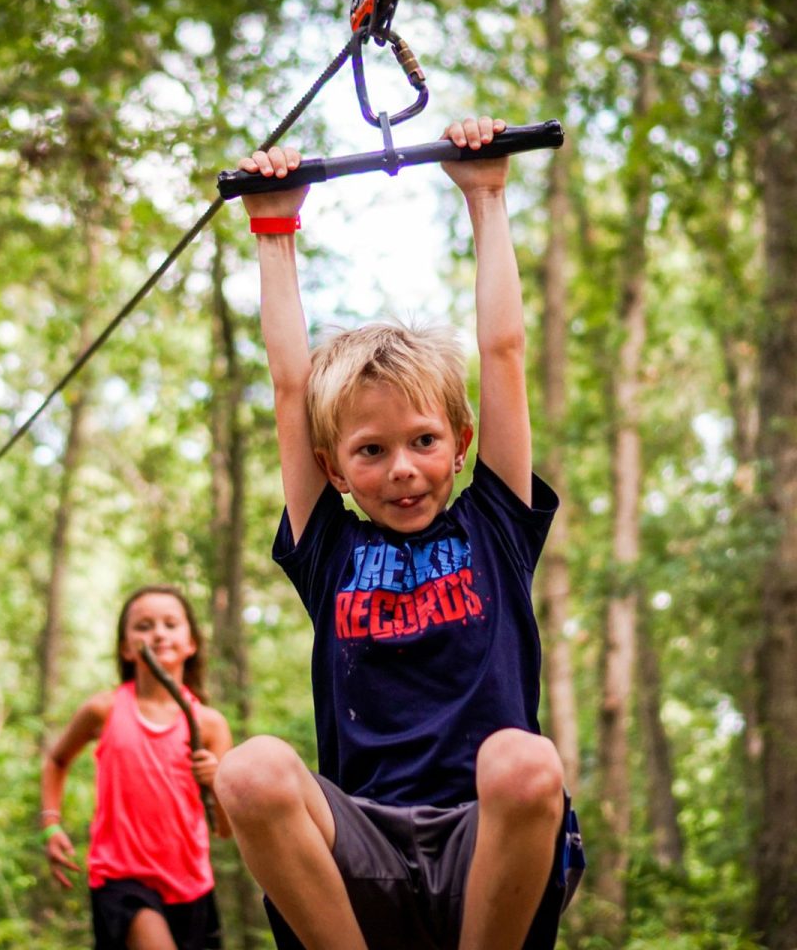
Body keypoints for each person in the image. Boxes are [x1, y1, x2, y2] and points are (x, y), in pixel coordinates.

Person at [213, 116, 583, 950]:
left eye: (422, 442)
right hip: (362, 848)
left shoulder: (495, 523)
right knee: (249, 770)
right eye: (371, 452)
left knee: (524, 762)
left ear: (460, 442)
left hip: (481, 845)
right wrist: (274, 226)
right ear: (335, 468)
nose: (404, 468)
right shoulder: (331, 551)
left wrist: (485, 197)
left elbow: (505, 350)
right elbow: (288, 385)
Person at [41, 585, 233, 950]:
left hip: (192, 888)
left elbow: (224, 829)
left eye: (170, 624)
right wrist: (50, 824)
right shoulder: (104, 710)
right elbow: (56, 759)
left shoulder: (210, 724)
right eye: (144, 626)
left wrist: (217, 780)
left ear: (191, 643)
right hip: (121, 882)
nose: (158, 633)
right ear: (126, 647)